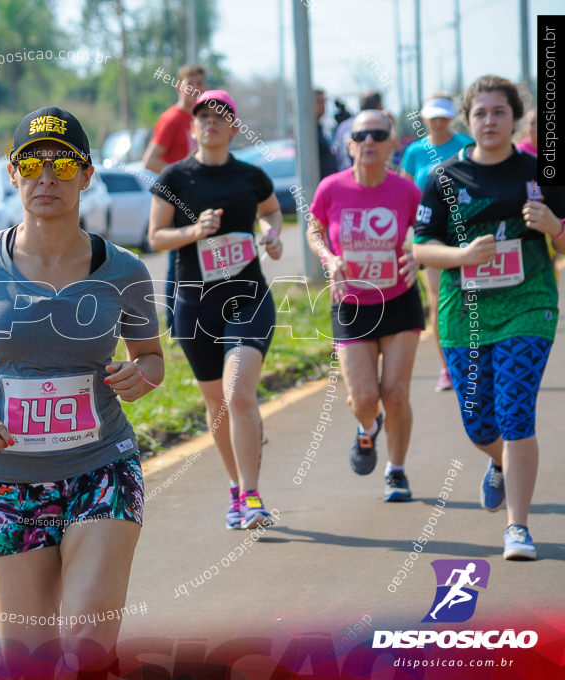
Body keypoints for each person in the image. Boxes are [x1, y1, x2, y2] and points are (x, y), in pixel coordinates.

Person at [0, 106, 163, 676]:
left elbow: (152, 358)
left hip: (101, 469)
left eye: (63, 164)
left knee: (86, 645)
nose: (46, 176)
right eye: (31, 163)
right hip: (8, 480)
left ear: (87, 176)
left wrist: (143, 376)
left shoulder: (124, 270)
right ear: (13, 174)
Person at [413, 75, 565, 560]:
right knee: (480, 424)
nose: (490, 121)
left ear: (515, 117)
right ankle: (500, 464)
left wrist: (555, 226)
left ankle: (517, 528)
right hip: (467, 311)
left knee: (516, 411)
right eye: (480, 113)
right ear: (467, 119)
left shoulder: (541, 171)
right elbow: (419, 248)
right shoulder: (444, 179)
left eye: (499, 111)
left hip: (528, 303)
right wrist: (460, 256)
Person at [147, 90, 283, 530]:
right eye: (203, 115)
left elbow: (272, 210)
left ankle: (252, 493)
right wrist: (194, 230)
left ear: (234, 127)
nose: (211, 121)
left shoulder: (251, 176)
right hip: (195, 305)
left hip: (248, 299)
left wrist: (272, 233)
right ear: (192, 126)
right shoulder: (175, 177)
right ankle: (235, 486)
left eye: (220, 115)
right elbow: (156, 237)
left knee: (238, 392)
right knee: (216, 404)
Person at [306, 109, 424, 502]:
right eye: (362, 135)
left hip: (399, 299)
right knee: (364, 398)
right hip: (352, 303)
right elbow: (314, 229)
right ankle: (368, 429)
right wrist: (329, 258)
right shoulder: (331, 188)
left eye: (379, 134)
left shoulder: (406, 191)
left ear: (393, 144)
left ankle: (397, 470)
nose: (370, 141)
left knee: (395, 391)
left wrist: (419, 257)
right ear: (350, 144)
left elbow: (430, 232)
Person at [399, 94, 473, 392]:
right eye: (433, 117)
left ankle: (476, 358)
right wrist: (405, 239)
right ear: (425, 119)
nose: (438, 122)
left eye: (444, 116)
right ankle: (448, 368)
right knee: (438, 301)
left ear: (452, 117)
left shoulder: (467, 145)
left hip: (467, 233)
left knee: (471, 299)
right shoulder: (415, 151)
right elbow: (402, 192)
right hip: (430, 236)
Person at [144, 64, 207, 335]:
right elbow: (150, 160)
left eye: (200, 82)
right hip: (177, 200)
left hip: (199, 199)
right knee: (177, 261)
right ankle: (173, 327)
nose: (196, 87)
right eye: (190, 82)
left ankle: (200, 318)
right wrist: (181, 178)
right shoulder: (172, 119)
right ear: (179, 86)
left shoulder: (203, 117)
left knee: (202, 259)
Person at [333, 89, 383, 171]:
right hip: (360, 178)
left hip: (343, 175)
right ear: (378, 107)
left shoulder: (343, 126)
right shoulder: (370, 128)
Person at [315, 88, 338, 178]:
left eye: (324, 101)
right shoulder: (307, 133)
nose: (323, 105)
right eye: (319, 101)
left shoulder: (323, 128)